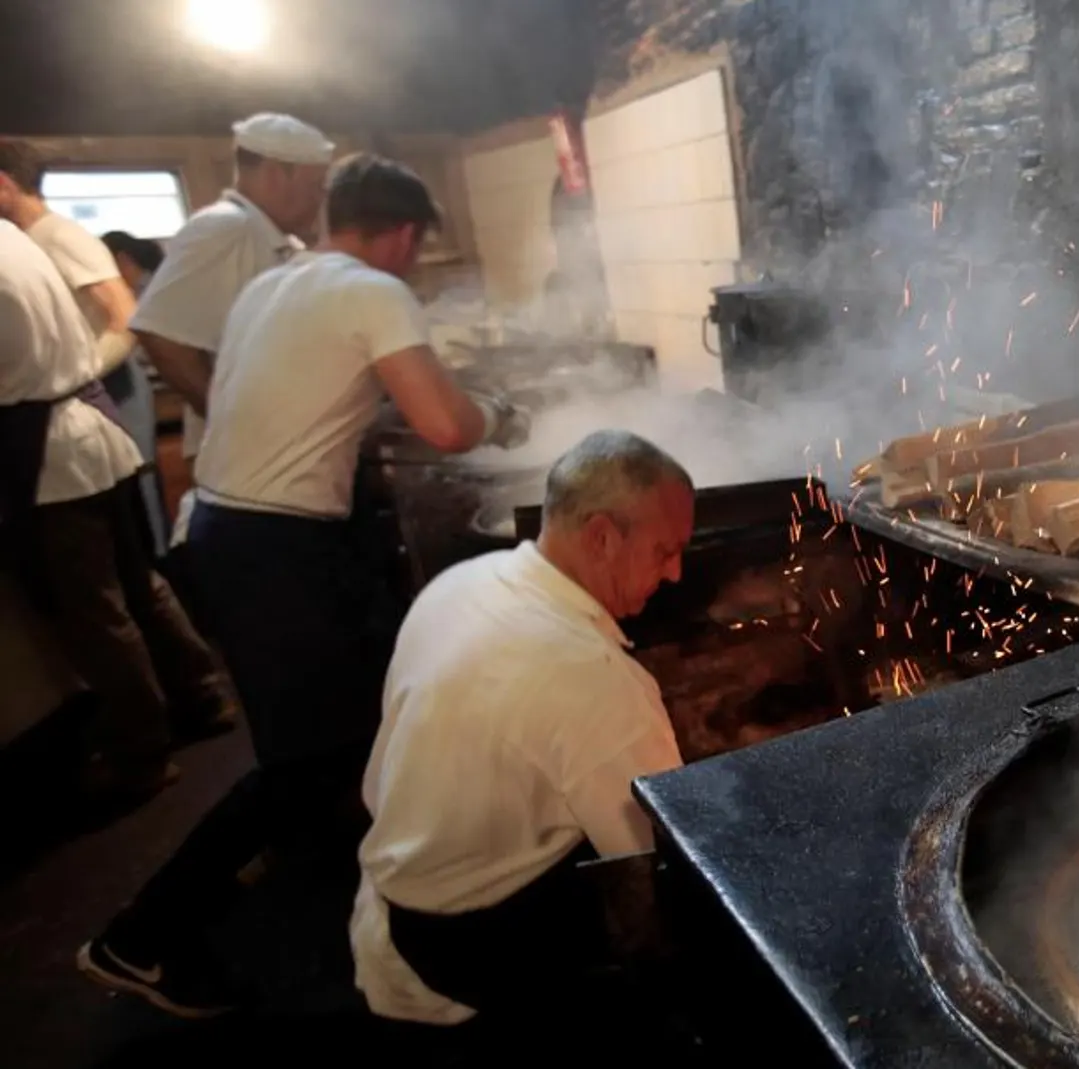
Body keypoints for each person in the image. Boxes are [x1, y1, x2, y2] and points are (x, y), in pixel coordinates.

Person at [77, 154, 530, 1018]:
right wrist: (498, 417)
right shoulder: (372, 289)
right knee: (305, 758)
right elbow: (444, 424)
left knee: (352, 720)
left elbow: (333, 394)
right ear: (401, 234)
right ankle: (139, 936)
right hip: (273, 550)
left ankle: (375, 878)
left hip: (222, 531)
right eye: (413, 246)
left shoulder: (275, 285)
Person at [353, 430, 692, 1029]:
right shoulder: (595, 681)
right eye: (665, 551)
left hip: (397, 881)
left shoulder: (465, 581)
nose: (676, 574)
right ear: (603, 537)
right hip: (469, 931)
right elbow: (658, 869)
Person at [0, 219, 216, 801]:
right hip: (88, 431)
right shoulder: (11, 237)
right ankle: (203, 695)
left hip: (51, 455)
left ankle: (142, 753)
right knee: (138, 584)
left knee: (94, 614)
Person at [130, 112, 333, 545]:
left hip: (283, 462)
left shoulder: (274, 240)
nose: (321, 199)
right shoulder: (223, 228)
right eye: (317, 187)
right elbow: (158, 331)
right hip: (248, 473)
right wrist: (229, 418)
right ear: (279, 174)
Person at [98, 230, 172, 555]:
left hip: (151, 394)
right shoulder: (157, 286)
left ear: (123, 261)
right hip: (150, 392)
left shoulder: (147, 295)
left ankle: (156, 553)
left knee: (143, 476)